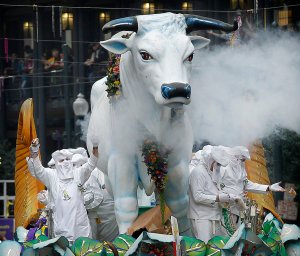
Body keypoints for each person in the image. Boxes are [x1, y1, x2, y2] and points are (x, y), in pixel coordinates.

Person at [26, 138, 99, 244]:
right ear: (56, 163)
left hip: (81, 228)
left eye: (68, 159)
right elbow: (38, 170)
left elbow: (91, 164)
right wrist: (34, 151)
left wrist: (95, 147)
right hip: (62, 229)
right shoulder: (51, 176)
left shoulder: (78, 173)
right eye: (61, 160)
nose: (65, 162)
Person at [212, 146, 285, 227]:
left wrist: (269, 187)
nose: (243, 162)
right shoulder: (223, 168)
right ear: (235, 157)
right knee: (226, 233)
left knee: (235, 234)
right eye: (243, 159)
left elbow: (247, 184)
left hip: (238, 208)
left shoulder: (241, 170)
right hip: (225, 207)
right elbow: (214, 183)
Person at [188, 145, 245, 243]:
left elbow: (215, 191)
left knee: (216, 248)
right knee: (204, 248)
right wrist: (218, 198)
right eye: (217, 164)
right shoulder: (198, 172)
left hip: (215, 216)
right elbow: (197, 196)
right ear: (211, 160)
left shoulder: (213, 171)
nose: (218, 167)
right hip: (202, 218)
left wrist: (230, 197)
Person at [71, 153, 119, 242]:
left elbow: (97, 197)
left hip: (91, 217)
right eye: (73, 164)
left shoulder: (90, 177)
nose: (76, 167)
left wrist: (83, 203)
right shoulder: (69, 179)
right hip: (75, 219)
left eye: (78, 164)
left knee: (91, 242)